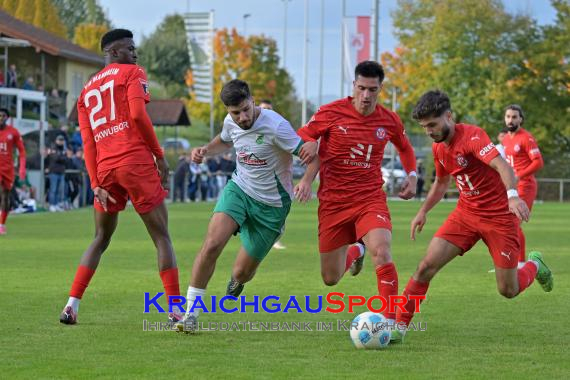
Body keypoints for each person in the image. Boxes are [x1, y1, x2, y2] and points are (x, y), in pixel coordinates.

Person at [393, 90, 553, 342]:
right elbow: (442, 182)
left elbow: (503, 166)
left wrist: (512, 195)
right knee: (425, 267)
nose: (429, 131)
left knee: (508, 290)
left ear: (449, 116)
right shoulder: (438, 147)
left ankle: (535, 265)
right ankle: (398, 328)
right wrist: (423, 211)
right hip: (465, 214)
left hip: (500, 217)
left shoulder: (473, 136)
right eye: (424, 127)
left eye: (432, 125)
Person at [59, 29, 181, 325]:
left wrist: (95, 183)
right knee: (162, 236)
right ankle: (177, 309)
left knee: (100, 237)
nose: (135, 53)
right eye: (130, 47)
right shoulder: (131, 72)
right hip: (135, 162)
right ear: (114, 52)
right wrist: (159, 155)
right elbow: (139, 116)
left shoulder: (85, 91)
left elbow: (89, 143)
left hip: (105, 169)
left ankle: (71, 305)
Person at [177, 79, 316, 332]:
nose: (242, 117)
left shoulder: (276, 126)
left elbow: (313, 157)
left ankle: (237, 281)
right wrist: (205, 150)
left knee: (242, 273)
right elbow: (224, 139)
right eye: (235, 113)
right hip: (240, 190)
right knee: (212, 245)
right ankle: (190, 315)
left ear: (252, 100)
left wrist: (306, 181)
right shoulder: (231, 122)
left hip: (272, 207)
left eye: (245, 109)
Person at [295, 61, 418, 327]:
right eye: (361, 88)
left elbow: (406, 149)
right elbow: (303, 135)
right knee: (330, 278)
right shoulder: (330, 112)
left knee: (382, 251)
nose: (366, 95)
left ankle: (389, 323)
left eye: (372, 90)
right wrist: (309, 142)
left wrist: (412, 176)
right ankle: (356, 251)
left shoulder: (389, 119)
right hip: (333, 203)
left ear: (380, 89)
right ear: (353, 85)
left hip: (369, 198)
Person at [502, 105, 543, 266]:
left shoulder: (526, 137)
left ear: (520, 119)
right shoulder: (506, 139)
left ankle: (519, 263)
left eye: (514, 117)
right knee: (505, 223)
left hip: (525, 185)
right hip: (510, 187)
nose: (510, 120)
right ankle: (509, 263)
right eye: (508, 116)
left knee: (513, 223)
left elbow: (538, 162)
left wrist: (519, 175)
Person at [259, 99, 287, 250]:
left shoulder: (278, 129)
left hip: (275, 179)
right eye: (263, 108)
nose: (266, 111)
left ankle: (273, 239)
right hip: (255, 180)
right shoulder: (248, 128)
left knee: (278, 214)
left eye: (269, 109)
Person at [0, 108, 26, 235]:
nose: (1, 117)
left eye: (3, 115)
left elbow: (22, 151)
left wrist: (21, 169)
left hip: (8, 169)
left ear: (7, 118)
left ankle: (2, 224)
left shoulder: (13, 132)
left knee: (6, 197)